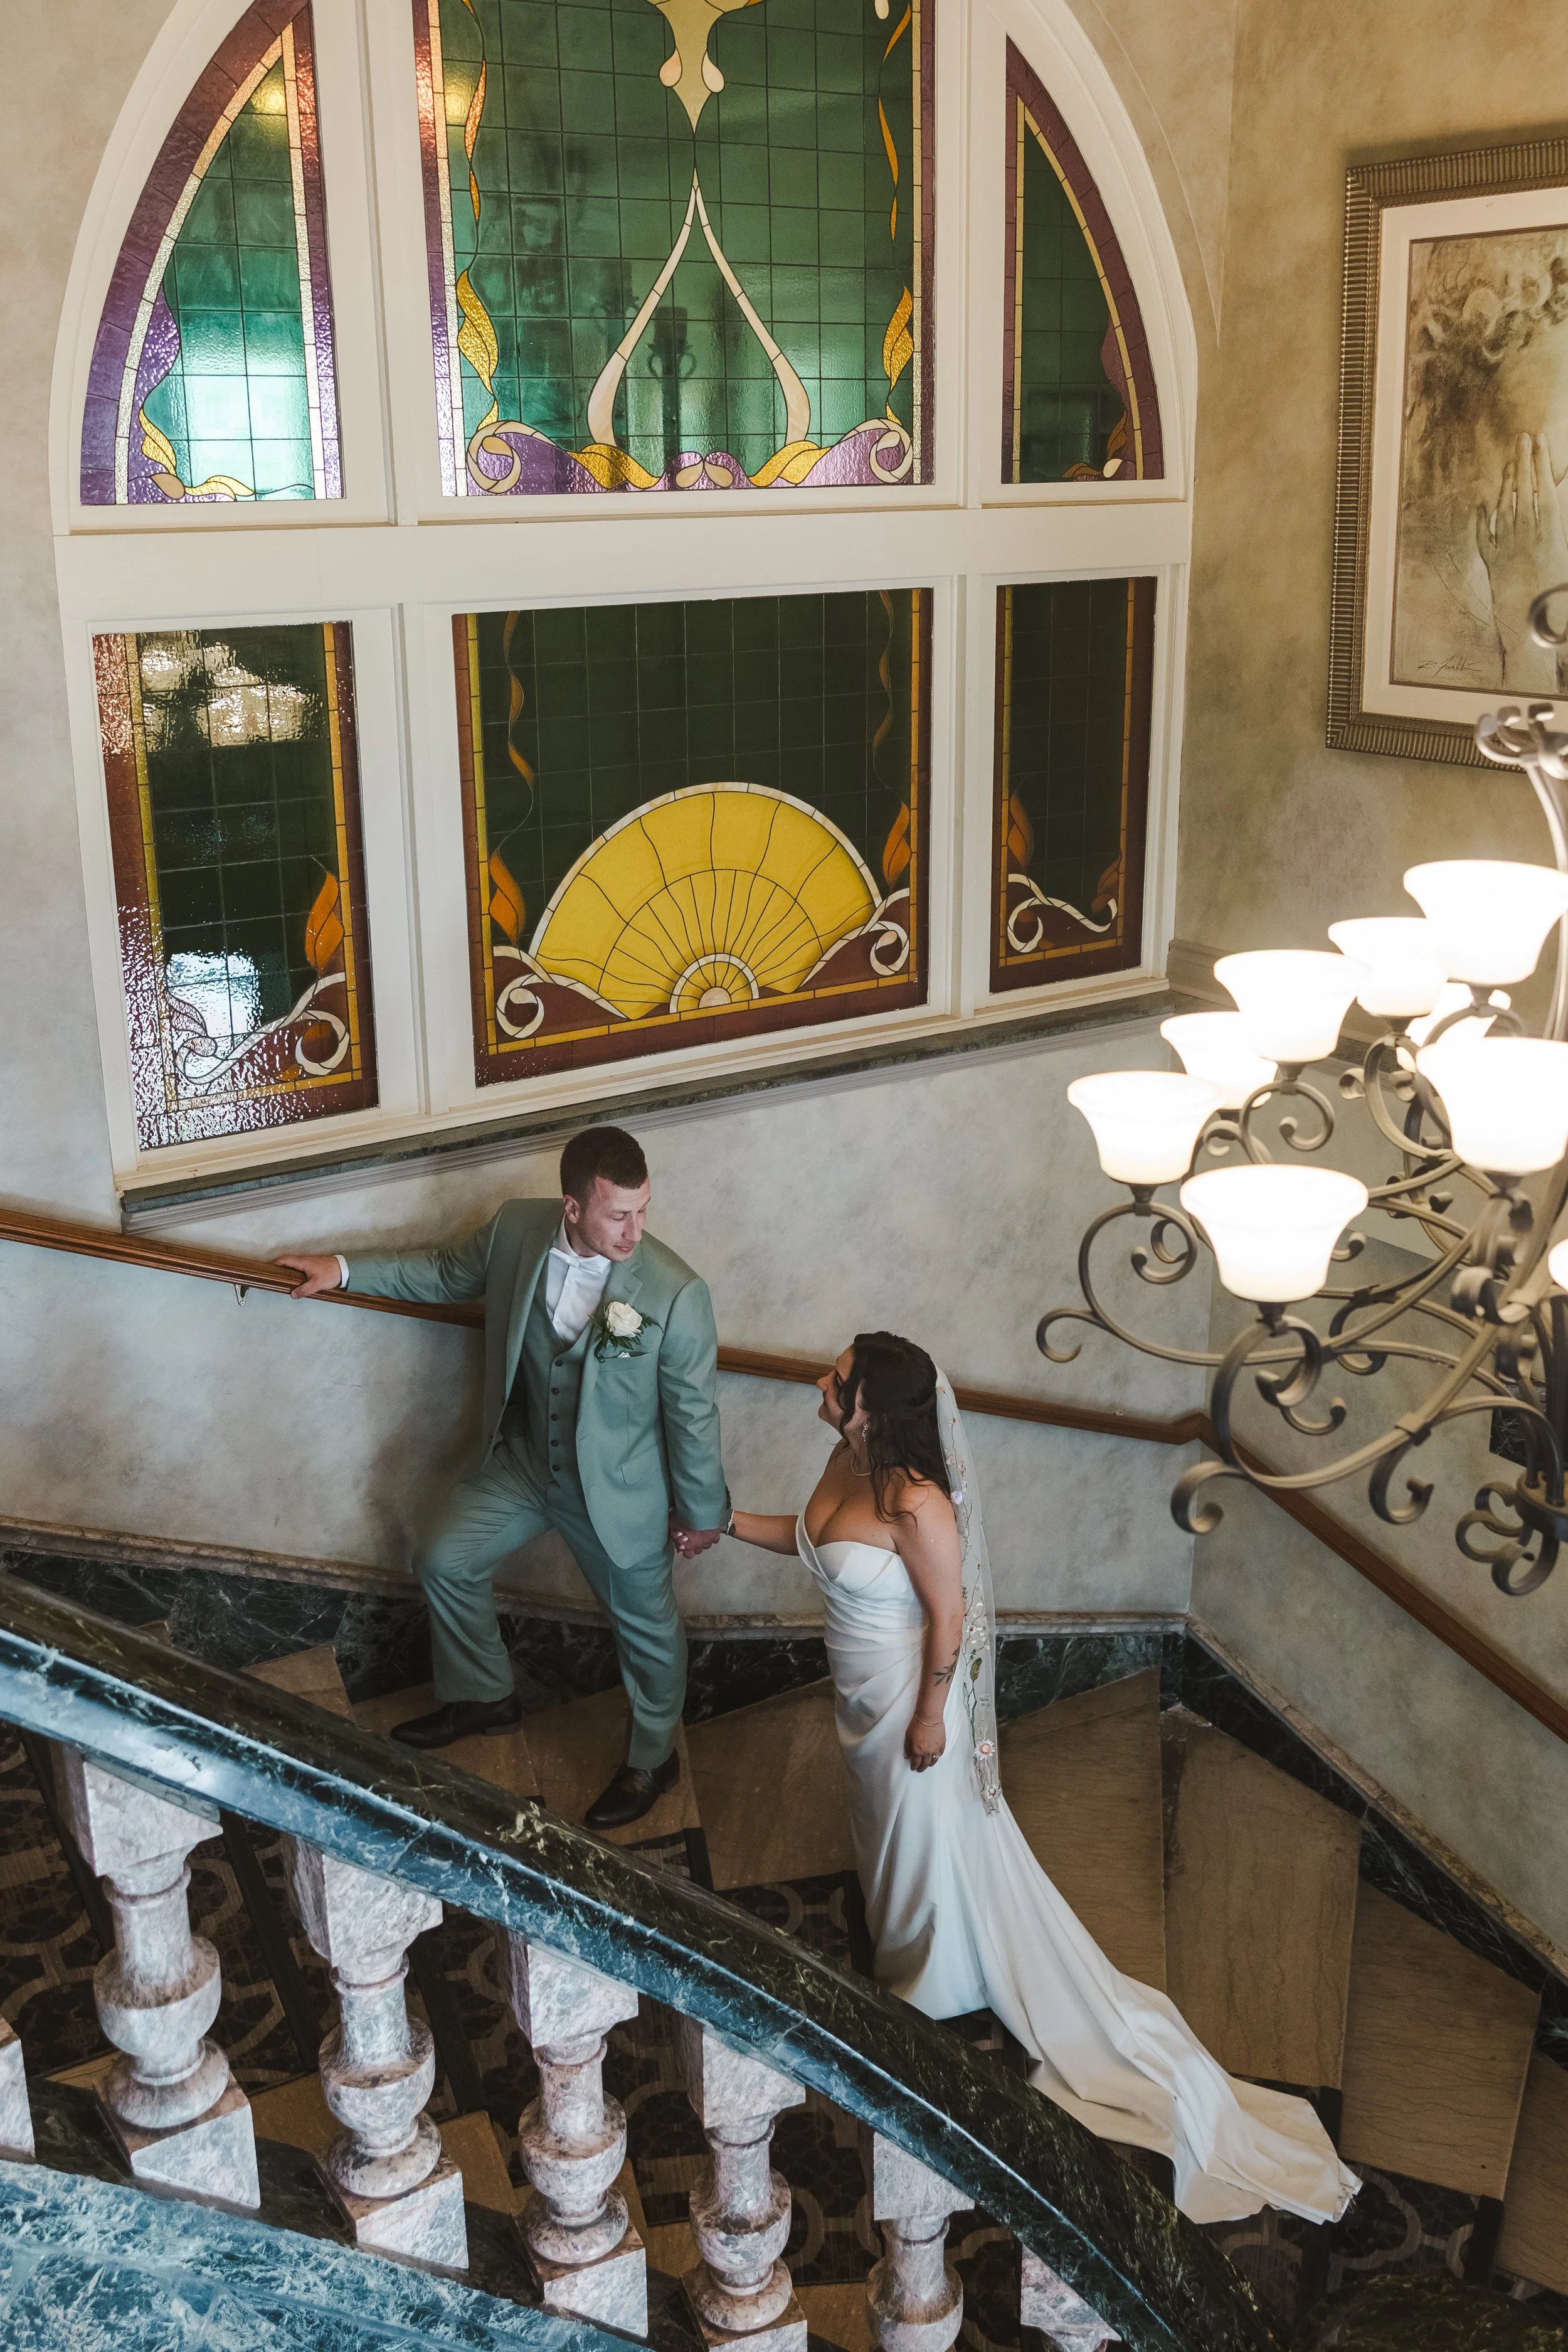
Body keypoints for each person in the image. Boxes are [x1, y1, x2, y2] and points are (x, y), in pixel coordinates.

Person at [715, 1331, 1360, 2227]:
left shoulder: (920, 1505)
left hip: (907, 1695)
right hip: (855, 1699)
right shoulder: (842, 1458)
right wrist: (724, 1525)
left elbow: (951, 1616)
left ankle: (931, 1977)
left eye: (838, 1378)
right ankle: (904, 1933)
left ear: (872, 1405)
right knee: (883, 1829)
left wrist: (934, 1715)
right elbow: (809, 1538)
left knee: (927, 1832)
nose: (821, 1381)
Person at [281, 1125, 728, 1828]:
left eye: (643, 1210)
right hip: (524, 1459)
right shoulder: (516, 1230)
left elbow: (694, 1416)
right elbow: (439, 1272)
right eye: (618, 1213)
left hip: (614, 1489)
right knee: (442, 1554)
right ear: (572, 1206)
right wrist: (341, 1268)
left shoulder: (676, 1293)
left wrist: (705, 1512)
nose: (635, 1230)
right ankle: (485, 1694)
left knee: (647, 1628)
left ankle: (652, 1758)